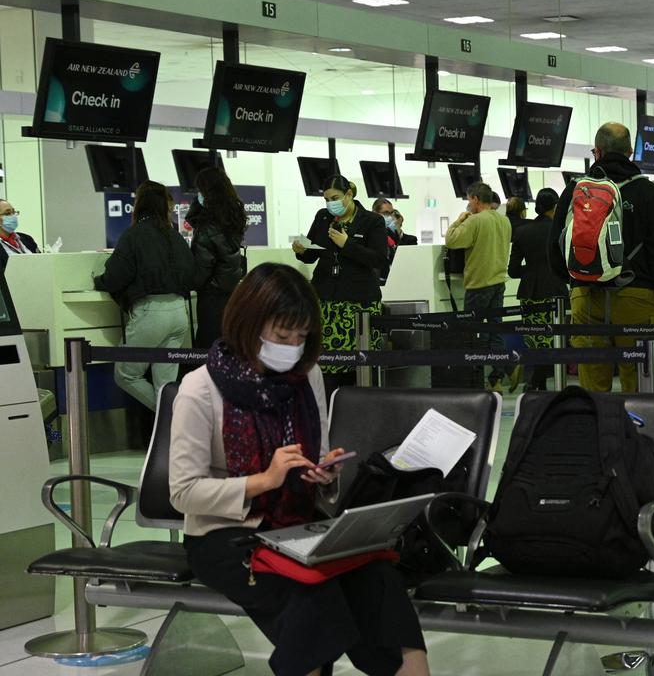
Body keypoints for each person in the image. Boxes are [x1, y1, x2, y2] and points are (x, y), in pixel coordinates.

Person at [171, 263, 431, 676]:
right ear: (249, 325)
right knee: (312, 596)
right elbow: (183, 492)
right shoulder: (200, 389)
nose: (292, 346)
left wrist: (324, 476)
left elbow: (319, 458)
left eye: (301, 336)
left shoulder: (307, 375)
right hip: (226, 534)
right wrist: (264, 481)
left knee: (378, 577)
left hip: (297, 524)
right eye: (281, 335)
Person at [549, 122, 654, 393]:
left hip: (587, 298)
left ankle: (597, 434)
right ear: (630, 152)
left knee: (593, 387)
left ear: (597, 152)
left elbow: (555, 249)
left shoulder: (574, 190)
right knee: (640, 386)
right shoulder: (647, 192)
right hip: (638, 298)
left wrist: (577, 284)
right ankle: (637, 434)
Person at [93, 181, 194, 411]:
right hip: (180, 312)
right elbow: (191, 271)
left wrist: (99, 281)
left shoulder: (134, 235)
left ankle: (172, 420)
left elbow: (116, 276)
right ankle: (175, 430)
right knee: (166, 384)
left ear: (140, 205)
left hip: (151, 314)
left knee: (126, 374)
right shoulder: (174, 235)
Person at [292, 175, 388, 394]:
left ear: (349, 195)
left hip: (357, 306)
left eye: (334, 197)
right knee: (326, 368)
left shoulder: (372, 221)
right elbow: (312, 254)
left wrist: (347, 245)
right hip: (325, 301)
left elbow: (379, 260)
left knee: (356, 368)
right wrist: (302, 251)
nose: (329, 203)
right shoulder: (323, 217)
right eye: (326, 199)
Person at [445, 181, 513, 391]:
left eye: (468, 200)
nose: (468, 204)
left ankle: (476, 377)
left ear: (475, 199)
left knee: (475, 332)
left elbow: (452, 241)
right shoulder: (504, 221)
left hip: (478, 284)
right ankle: (498, 376)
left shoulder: (475, 221)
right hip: (499, 282)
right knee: (495, 330)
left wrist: (459, 220)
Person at [508, 188, 565, 392]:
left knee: (535, 341)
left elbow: (513, 271)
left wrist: (532, 270)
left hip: (530, 293)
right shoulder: (560, 231)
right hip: (555, 292)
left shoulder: (522, 231)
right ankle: (535, 383)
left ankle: (536, 384)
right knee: (554, 341)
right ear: (556, 206)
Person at [187, 169, 247, 348]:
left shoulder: (207, 228)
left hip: (211, 299)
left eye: (199, 191)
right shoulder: (231, 219)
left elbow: (200, 273)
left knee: (207, 351)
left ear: (207, 193)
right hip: (231, 295)